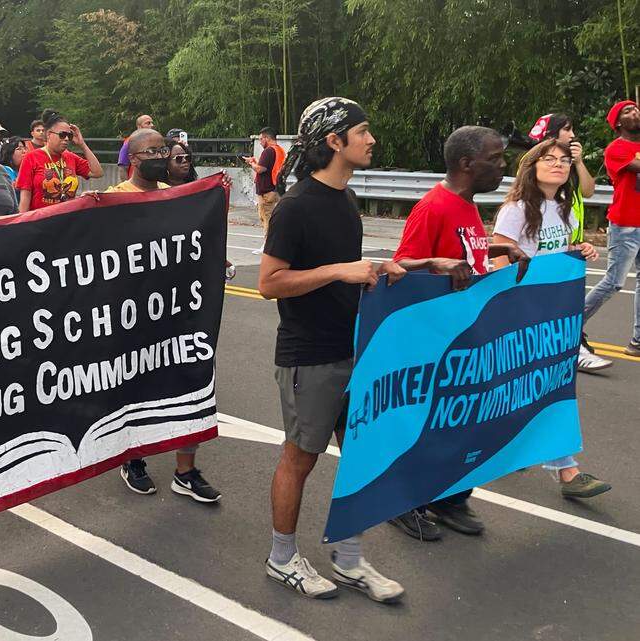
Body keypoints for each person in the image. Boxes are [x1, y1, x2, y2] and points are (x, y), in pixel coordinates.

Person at [258, 97, 405, 603]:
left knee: (362, 454)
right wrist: (340, 271)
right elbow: (269, 282)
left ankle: (348, 558)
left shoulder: (346, 200)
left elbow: (345, 271)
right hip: (309, 355)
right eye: (362, 132)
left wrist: (374, 268)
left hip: (353, 348)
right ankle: (282, 558)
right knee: (300, 458)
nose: (371, 139)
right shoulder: (296, 206)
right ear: (333, 142)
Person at [387, 126, 529, 541]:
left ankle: (449, 498)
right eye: (496, 158)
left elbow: (463, 253)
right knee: (430, 427)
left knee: (464, 423)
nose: (503, 167)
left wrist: (499, 249)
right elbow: (402, 268)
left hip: (466, 338)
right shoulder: (434, 207)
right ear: (467, 164)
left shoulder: (466, 205)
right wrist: (435, 264)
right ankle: (404, 501)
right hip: (435, 340)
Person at [491, 138, 611, 499]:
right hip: (522, 310)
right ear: (532, 166)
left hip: (550, 312)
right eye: (549, 159)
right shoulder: (515, 209)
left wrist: (579, 249)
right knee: (542, 386)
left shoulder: (564, 210)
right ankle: (566, 471)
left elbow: (555, 253)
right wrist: (512, 303)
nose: (559, 165)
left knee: (538, 386)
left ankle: (509, 447)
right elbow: (498, 257)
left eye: (564, 160)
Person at [106, 128, 221, 502]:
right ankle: (133, 458)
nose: (162, 155)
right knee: (137, 387)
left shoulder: (178, 197)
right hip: (134, 313)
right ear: (134, 159)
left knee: (191, 381)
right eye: (153, 150)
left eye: (163, 149)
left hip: (176, 310)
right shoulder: (112, 200)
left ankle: (185, 472)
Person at [528, 113, 612, 371]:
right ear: (553, 132)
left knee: (565, 300)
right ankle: (573, 348)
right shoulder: (539, 162)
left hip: (567, 242)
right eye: (568, 129)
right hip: (544, 242)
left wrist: (577, 162)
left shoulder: (569, 164)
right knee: (546, 301)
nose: (572, 134)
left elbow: (587, 190)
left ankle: (572, 346)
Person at [584, 101, 640, 355]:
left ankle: (637, 341)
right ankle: (570, 326)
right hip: (625, 224)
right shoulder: (615, 149)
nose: (635, 112)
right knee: (614, 282)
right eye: (628, 111)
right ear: (617, 123)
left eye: (637, 109)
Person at [16, 109, 102, 212]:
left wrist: (82, 144)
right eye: (62, 135)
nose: (66, 139)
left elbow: (97, 172)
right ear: (48, 134)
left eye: (69, 136)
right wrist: (22, 225)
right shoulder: (31, 157)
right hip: (41, 222)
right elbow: (25, 198)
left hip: (67, 220)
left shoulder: (70, 157)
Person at [245, 128, 281, 229]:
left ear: (266, 138)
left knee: (267, 220)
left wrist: (251, 163)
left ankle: (269, 243)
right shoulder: (278, 149)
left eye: (261, 139)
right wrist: (255, 161)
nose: (260, 142)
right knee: (271, 218)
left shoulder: (268, 151)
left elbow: (260, 169)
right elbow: (269, 167)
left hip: (266, 192)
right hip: (274, 188)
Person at [117, 114, 154, 178]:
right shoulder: (129, 142)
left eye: (152, 123)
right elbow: (122, 168)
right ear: (139, 127)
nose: (152, 125)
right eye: (148, 123)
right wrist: (127, 186)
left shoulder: (155, 142)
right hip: (135, 184)